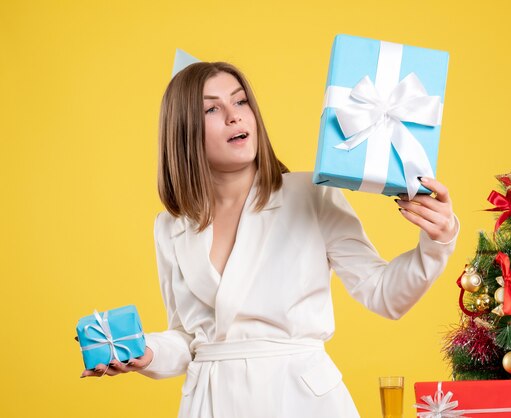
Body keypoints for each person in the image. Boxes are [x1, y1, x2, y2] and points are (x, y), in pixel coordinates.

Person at [81, 61, 459, 418]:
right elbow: (187, 339)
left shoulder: (311, 194)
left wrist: (436, 242)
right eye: (211, 109)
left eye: (241, 100)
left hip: (301, 400)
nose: (235, 115)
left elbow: (384, 295)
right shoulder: (170, 226)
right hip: (210, 403)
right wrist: (145, 353)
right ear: (182, 131)